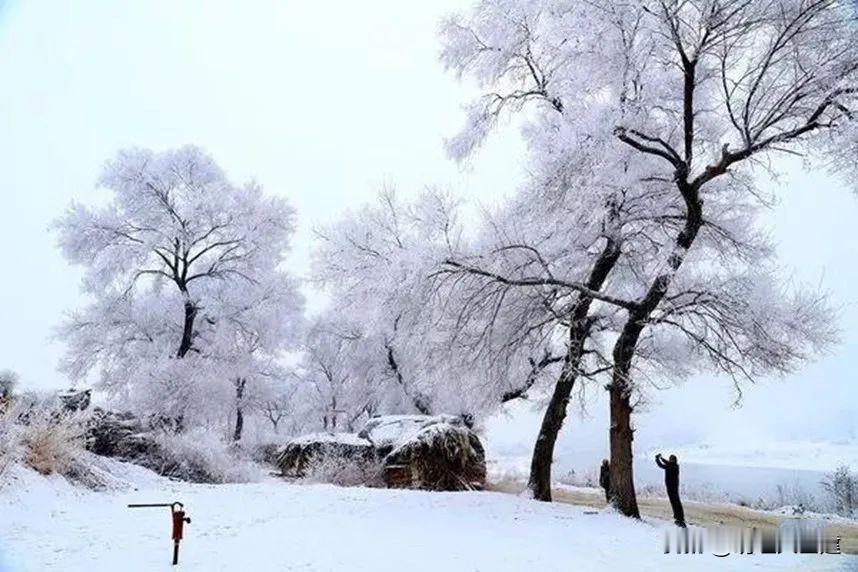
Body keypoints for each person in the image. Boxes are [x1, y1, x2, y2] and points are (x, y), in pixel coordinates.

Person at [655, 453, 686, 527]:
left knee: (675, 503)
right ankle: (679, 518)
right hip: (673, 487)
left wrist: (657, 459)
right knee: (676, 502)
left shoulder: (671, 466)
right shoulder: (674, 466)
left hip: (671, 487)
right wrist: (661, 458)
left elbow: (661, 465)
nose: (669, 460)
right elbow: (667, 463)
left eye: (670, 459)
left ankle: (680, 519)